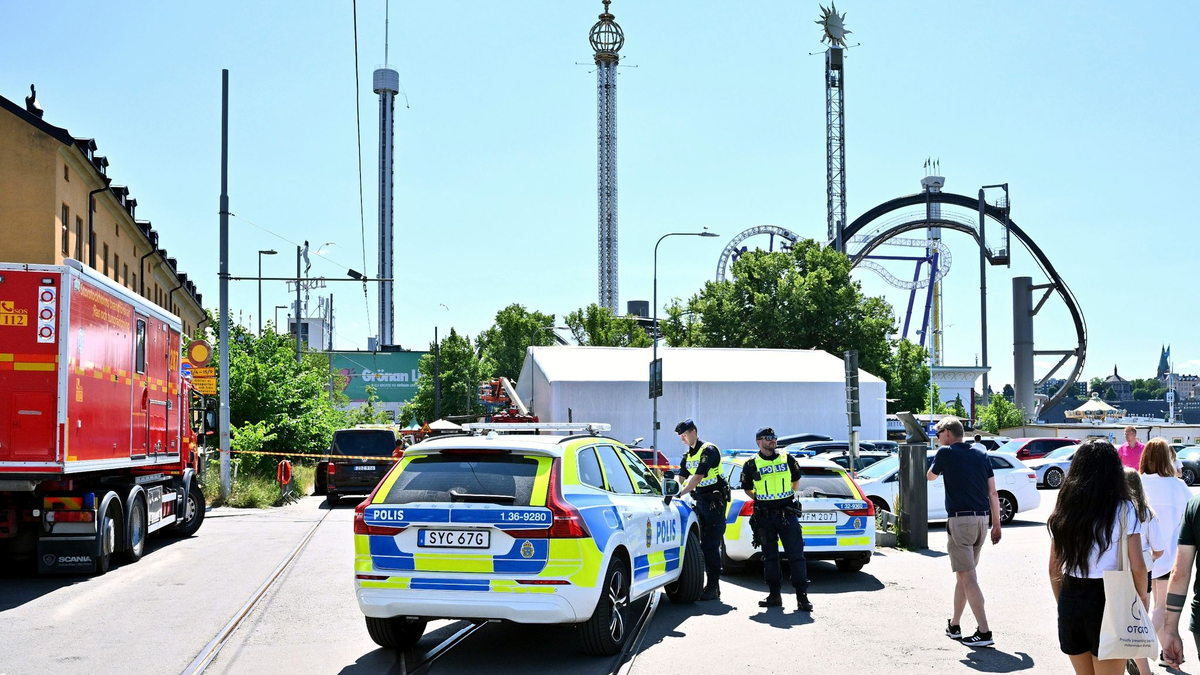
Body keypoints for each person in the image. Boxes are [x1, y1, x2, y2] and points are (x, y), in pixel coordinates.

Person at [1048, 440, 1148, 675]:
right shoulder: (1124, 508)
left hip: (1071, 594)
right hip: (1110, 598)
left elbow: (1053, 569)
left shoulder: (1066, 507)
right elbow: (1139, 567)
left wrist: (1063, 602)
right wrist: (1141, 599)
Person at [928, 415, 1001, 647]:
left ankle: (984, 632)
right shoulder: (981, 454)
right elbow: (993, 493)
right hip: (982, 521)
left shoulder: (946, 453)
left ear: (948, 433)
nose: (938, 438)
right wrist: (996, 524)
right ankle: (955, 625)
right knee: (964, 575)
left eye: (939, 434)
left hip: (961, 522)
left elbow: (930, 476)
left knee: (968, 576)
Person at [740, 426, 812, 611]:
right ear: (758, 442)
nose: (772, 440)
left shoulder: (787, 458)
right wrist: (764, 499)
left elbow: (796, 481)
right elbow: (747, 488)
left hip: (786, 514)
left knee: (796, 556)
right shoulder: (750, 464)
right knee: (770, 557)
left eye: (774, 437)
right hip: (765, 517)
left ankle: (802, 597)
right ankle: (774, 595)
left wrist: (784, 497)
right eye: (767, 437)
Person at [1139, 438, 1193, 665]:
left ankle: (1164, 654)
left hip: (1139, 557)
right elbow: (1190, 517)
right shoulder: (1177, 486)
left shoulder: (1137, 483)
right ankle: (1137, 649)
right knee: (1161, 608)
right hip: (1168, 557)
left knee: (1146, 607)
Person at [675, 418, 727, 601]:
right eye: (681, 436)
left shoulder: (708, 451)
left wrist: (679, 494)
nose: (683, 439)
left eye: (685, 435)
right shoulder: (687, 456)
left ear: (694, 431)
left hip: (715, 504)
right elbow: (681, 476)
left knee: (710, 546)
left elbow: (697, 478)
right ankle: (713, 587)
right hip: (700, 503)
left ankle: (712, 588)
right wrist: (672, 490)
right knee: (702, 547)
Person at [1125, 468, 1164, 675]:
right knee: (1139, 622)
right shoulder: (1147, 514)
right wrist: (1150, 557)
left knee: (1123, 619)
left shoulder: (1114, 512)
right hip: (1143, 571)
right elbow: (1159, 549)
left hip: (1119, 572)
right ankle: (1145, 671)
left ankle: (1132, 659)